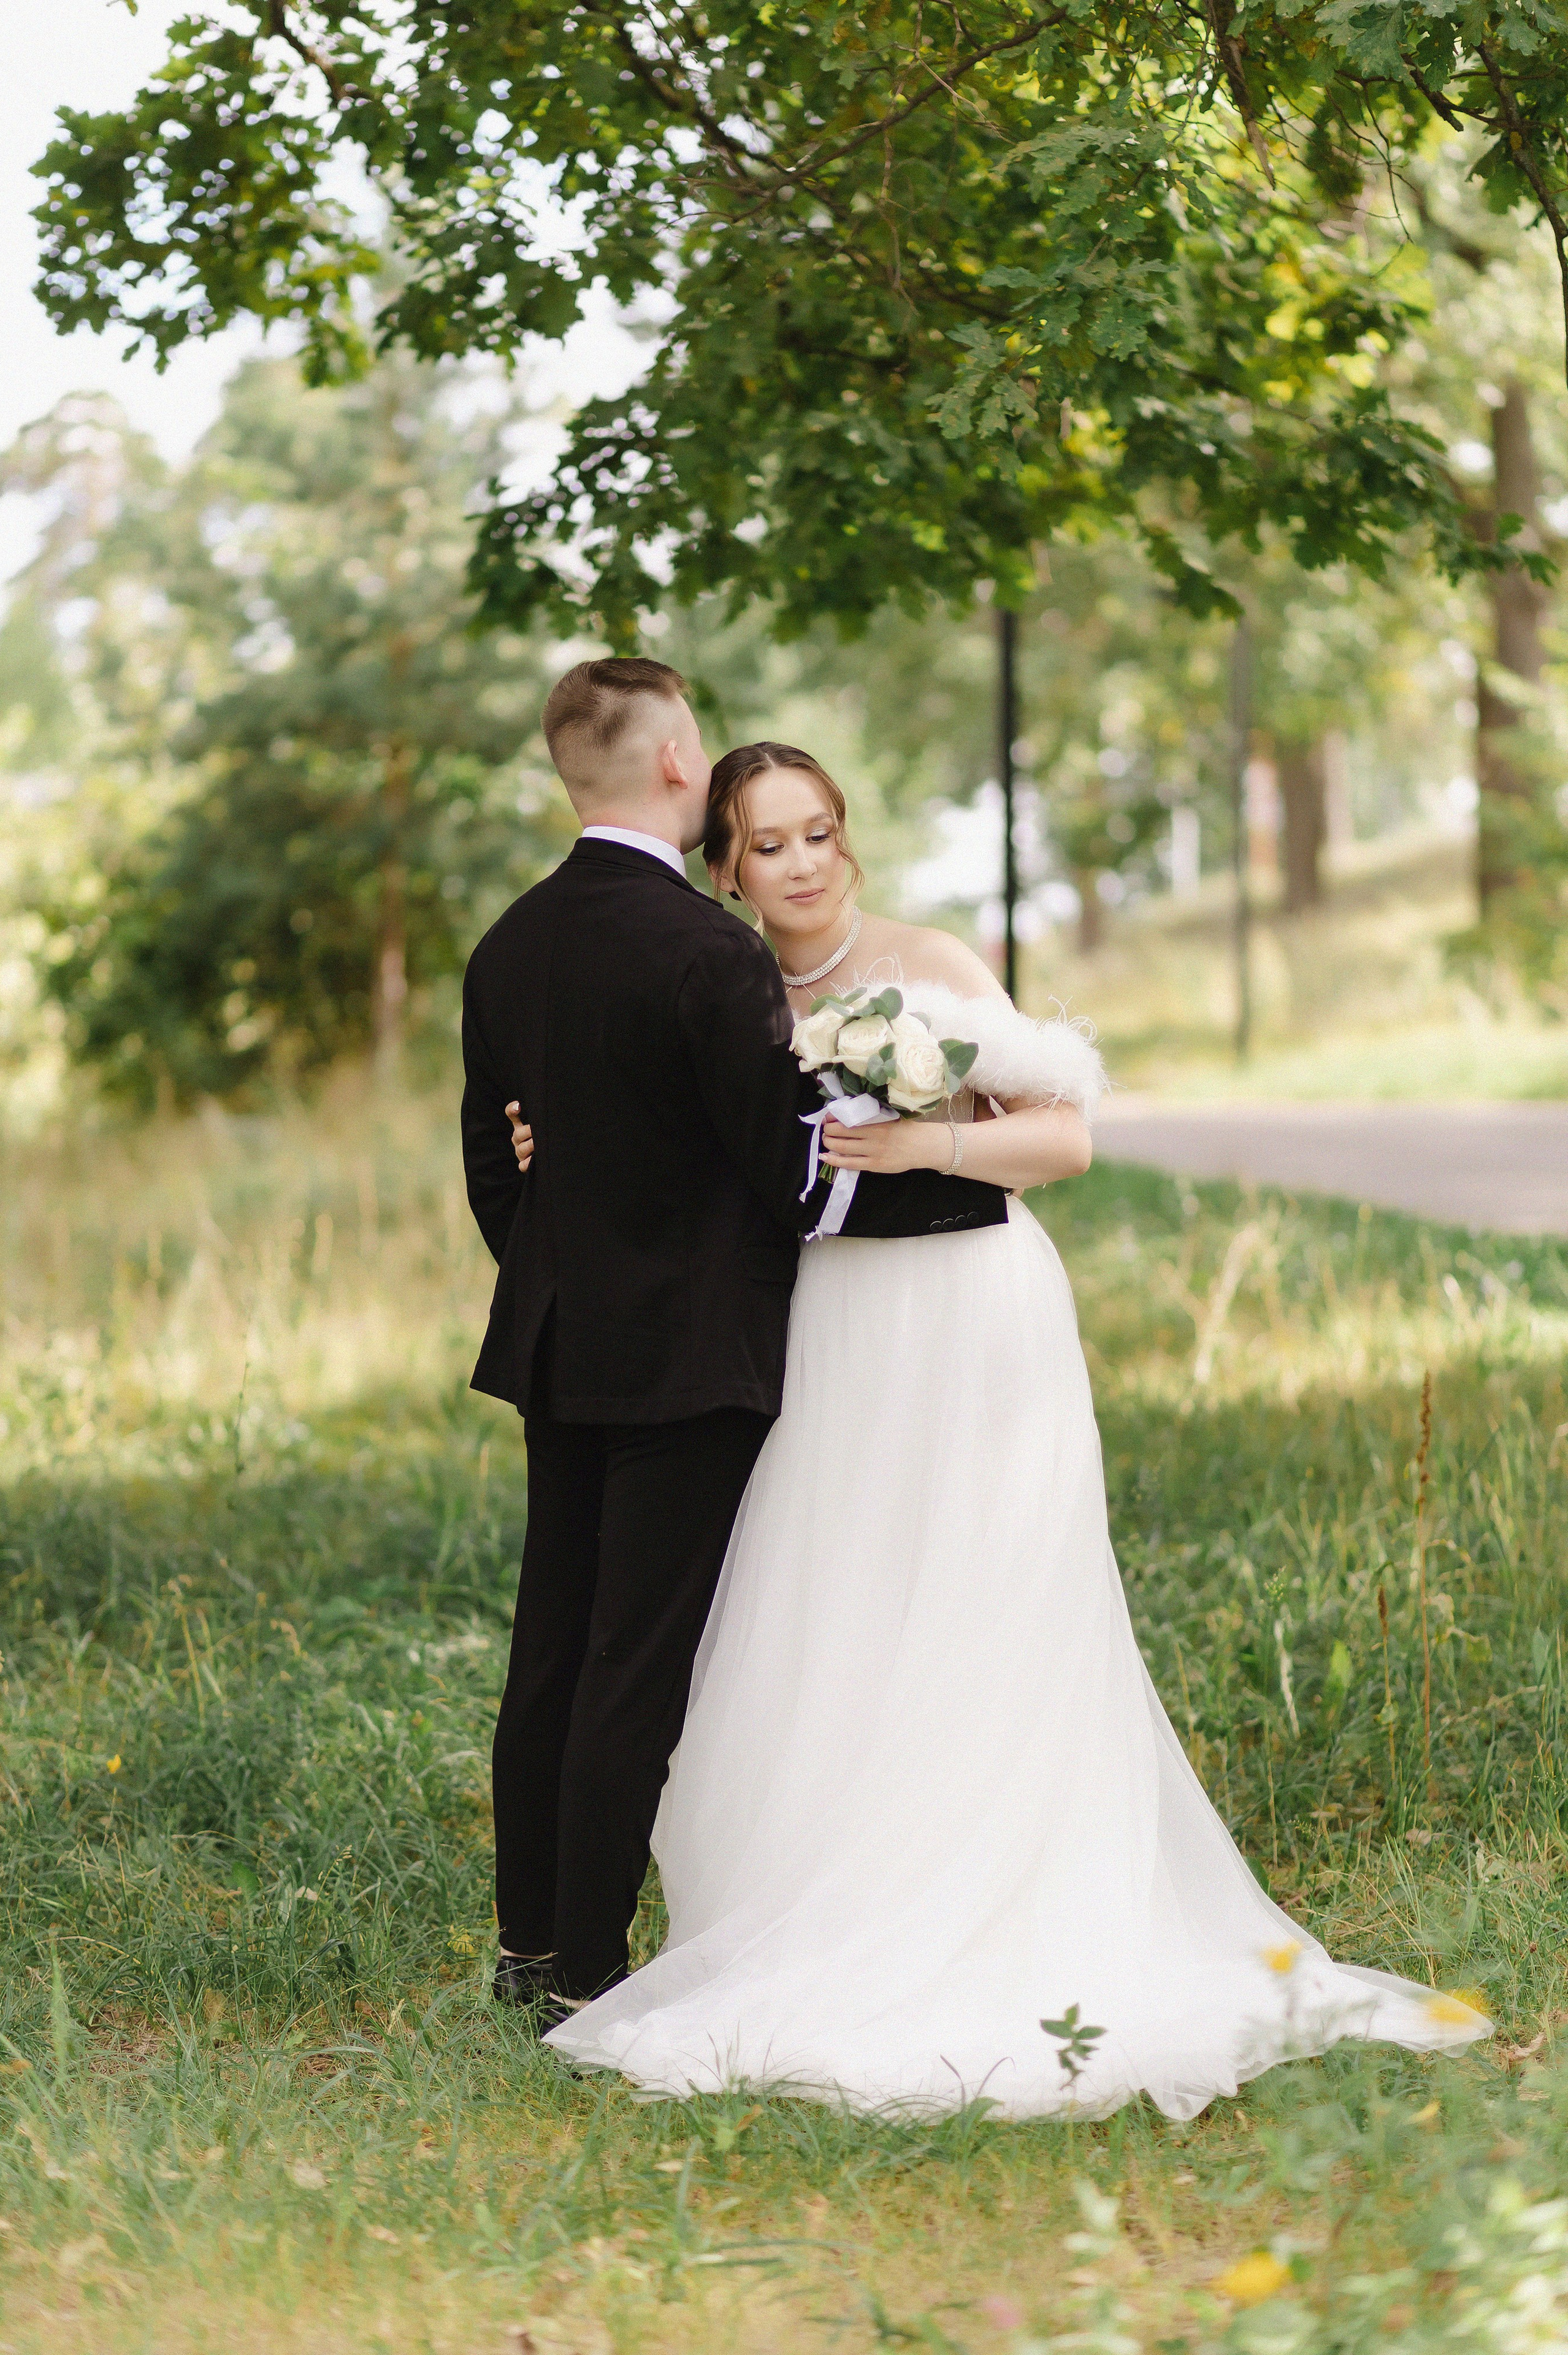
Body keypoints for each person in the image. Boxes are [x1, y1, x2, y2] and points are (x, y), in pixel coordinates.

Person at [525, 740, 1493, 2119]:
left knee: (985, 1592)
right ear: (724, 868)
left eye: (815, 835)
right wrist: (539, 1145)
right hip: (819, 1331)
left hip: (972, 1316)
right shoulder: (727, 990)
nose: (796, 865)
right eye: (763, 845)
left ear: (843, 840)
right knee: (837, 1604)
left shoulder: (927, 963)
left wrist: (932, 1145)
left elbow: (1065, 1136)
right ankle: (831, 1892)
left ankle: (1004, 1888)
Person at [460, 664, 1012, 2019]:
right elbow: (790, 1180)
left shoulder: (509, 944)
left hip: (558, 1345)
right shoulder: (706, 953)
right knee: (633, 1663)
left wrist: (567, 1259)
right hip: (690, 1363)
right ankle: (584, 1974)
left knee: (550, 1646)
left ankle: (527, 1937)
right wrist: (947, 1189)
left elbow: (496, 1170)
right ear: (670, 768)